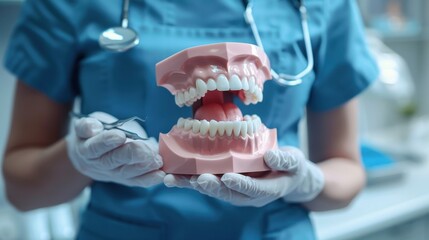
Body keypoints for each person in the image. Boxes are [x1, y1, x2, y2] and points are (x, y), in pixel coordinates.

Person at [2, 0, 378, 239]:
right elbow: (21, 188)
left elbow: (347, 171)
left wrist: (304, 182)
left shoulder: (326, 5)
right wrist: (78, 158)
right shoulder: (62, 5)